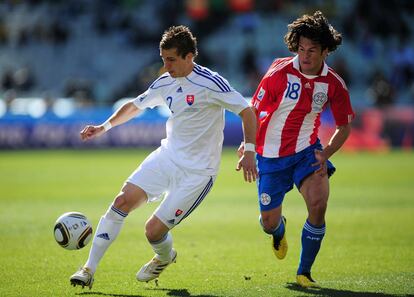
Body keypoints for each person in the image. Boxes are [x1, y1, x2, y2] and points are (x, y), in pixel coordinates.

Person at [70, 25, 257, 289]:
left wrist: (250, 151)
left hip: (198, 173)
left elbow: (247, 112)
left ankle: (165, 256)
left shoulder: (211, 83)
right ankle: (88, 269)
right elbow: (135, 105)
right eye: (163, 59)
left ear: (189, 57)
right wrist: (103, 127)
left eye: (171, 59)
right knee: (122, 201)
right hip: (167, 157)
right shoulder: (165, 82)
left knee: (153, 231)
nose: (166, 66)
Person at [239, 11, 355, 288]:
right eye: (301, 49)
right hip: (270, 155)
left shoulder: (334, 84)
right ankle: (278, 230)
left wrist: (325, 153)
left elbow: (344, 126)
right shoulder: (279, 73)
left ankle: (304, 272)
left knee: (318, 204)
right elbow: (253, 110)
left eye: (312, 50)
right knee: (268, 222)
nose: (305, 55)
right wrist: (249, 148)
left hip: (307, 151)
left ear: (325, 51)